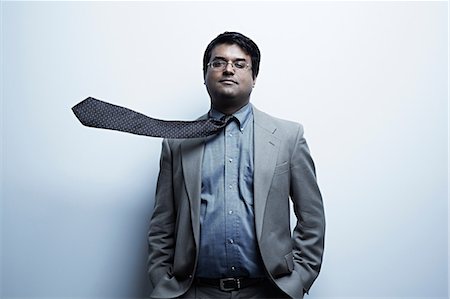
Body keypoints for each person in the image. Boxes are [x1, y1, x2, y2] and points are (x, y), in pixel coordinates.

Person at [147, 32, 325, 299]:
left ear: (254, 78)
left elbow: (312, 218)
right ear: (205, 74)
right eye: (218, 63)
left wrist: (297, 281)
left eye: (240, 64)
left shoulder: (289, 137)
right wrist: (162, 281)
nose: (228, 69)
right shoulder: (177, 141)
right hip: (194, 292)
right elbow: (162, 222)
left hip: (268, 292)